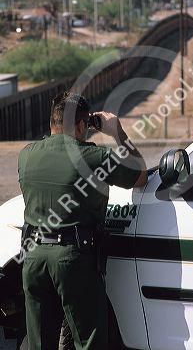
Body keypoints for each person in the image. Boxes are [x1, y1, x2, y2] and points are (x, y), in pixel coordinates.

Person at [18, 90, 147, 350]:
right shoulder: (91, 157)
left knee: (38, 343)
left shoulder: (26, 155)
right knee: (88, 341)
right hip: (73, 261)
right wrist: (117, 132)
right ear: (80, 126)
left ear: (51, 123)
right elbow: (140, 174)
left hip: (32, 258)